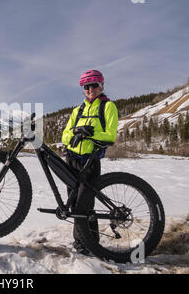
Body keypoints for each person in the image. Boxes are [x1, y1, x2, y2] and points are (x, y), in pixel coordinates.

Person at [62, 70, 118, 255]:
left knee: (85, 205)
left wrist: (89, 132)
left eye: (94, 85)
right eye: (86, 86)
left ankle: (90, 244)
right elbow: (65, 135)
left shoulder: (108, 107)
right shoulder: (77, 110)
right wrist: (76, 132)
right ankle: (81, 243)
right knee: (73, 204)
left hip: (90, 160)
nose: (90, 89)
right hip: (72, 159)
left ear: (101, 85)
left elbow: (110, 135)